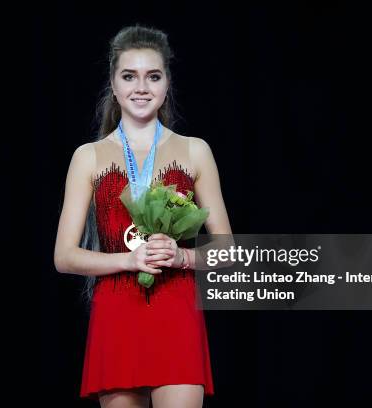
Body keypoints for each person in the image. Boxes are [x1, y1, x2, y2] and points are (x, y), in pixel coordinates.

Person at [54, 24, 232, 408]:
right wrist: (128, 259)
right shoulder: (88, 156)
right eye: (129, 76)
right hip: (116, 313)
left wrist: (184, 256)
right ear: (114, 85)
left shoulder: (195, 151)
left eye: (153, 76)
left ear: (167, 84)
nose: (141, 87)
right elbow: (64, 256)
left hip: (177, 309)